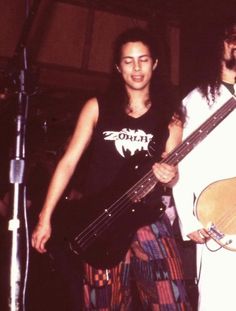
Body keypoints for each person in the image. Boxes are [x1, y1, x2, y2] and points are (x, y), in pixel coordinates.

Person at [31, 27, 191, 310]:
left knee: (172, 300)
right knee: (103, 305)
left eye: (143, 59)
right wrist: (46, 217)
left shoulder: (171, 114)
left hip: (147, 217)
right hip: (100, 220)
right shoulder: (96, 106)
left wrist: (171, 175)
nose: (136, 67)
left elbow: (171, 167)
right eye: (128, 61)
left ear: (154, 64)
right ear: (118, 67)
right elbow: (68, 162)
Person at [173, 17, 236, 311]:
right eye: (231, 38)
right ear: (219, 46)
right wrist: (189, 218)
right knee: (219, 299)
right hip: (216, 218)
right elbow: (181, 162)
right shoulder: (197, 100)